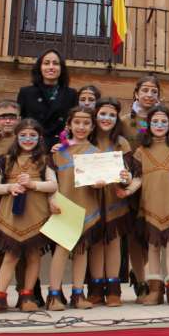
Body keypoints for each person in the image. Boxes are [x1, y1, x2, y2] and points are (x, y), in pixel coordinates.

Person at [0, 119, 58, 314]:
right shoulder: (5, 160)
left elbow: (53, 185)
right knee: (10, 256)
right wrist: (10, 187)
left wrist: (33, 185)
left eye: (33, 135)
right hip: (11, 215)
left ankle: (27, 296)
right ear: (17, 137)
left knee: (33, 255)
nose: (28, 139)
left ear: (39, 138)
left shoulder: (45, 160)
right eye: (23, 135)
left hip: (36, 213)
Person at [121, 105, 169, 306]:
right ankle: (155, 290)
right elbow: (138, 179)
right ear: (148, 125)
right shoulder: (141, 151)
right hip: (149, 206)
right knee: (152, 247)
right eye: (155, 121)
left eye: (163, 121)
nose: (159, 125)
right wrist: (127, 191)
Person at [47, 106, 107, 310]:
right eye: (77, 122)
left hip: (87, 206)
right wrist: (51, 200)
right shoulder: (58, 151)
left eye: (86, 123)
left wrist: (100, 183)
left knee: (82, 251)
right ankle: (54, 295)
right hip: (64, 206)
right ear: (69, 125)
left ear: (92, 127)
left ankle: (78, 294)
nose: (81, 127)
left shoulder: (97, 153)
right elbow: (50, 180)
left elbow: (100, 181)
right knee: (61, 250)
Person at [119, 74, 162, 297]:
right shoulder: (125, 121)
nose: (149, 94)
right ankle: (141, 278)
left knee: (153, 233)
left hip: (155, 184)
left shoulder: (162, 120)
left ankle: (151, 275)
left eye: (154, 91)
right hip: (131, 183)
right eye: (145, 90)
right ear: (136, 93)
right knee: (135, 235)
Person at [86, 97, 132, 306]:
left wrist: (126, 178)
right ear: (95, 116)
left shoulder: (122, 142)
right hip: (91, 197)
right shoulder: (85, 138)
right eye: (103, 114)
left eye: (112, 115)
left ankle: (114, 289)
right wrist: (58, 145)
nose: (107, 118)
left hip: (114, 197)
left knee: (113, 242)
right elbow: (66, 151)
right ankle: (95, 288)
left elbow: (131, 173)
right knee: (95, 242)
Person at [16, 49, 78, 150]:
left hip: (60, 148)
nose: (51, 67)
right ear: (40, 67)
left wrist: (64, 145)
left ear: (61, 68)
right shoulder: (26, 92)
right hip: (33, 147)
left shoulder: (71, 94)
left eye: (55, 63)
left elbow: (73, 125)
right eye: (46, 63)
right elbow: (18, 123)